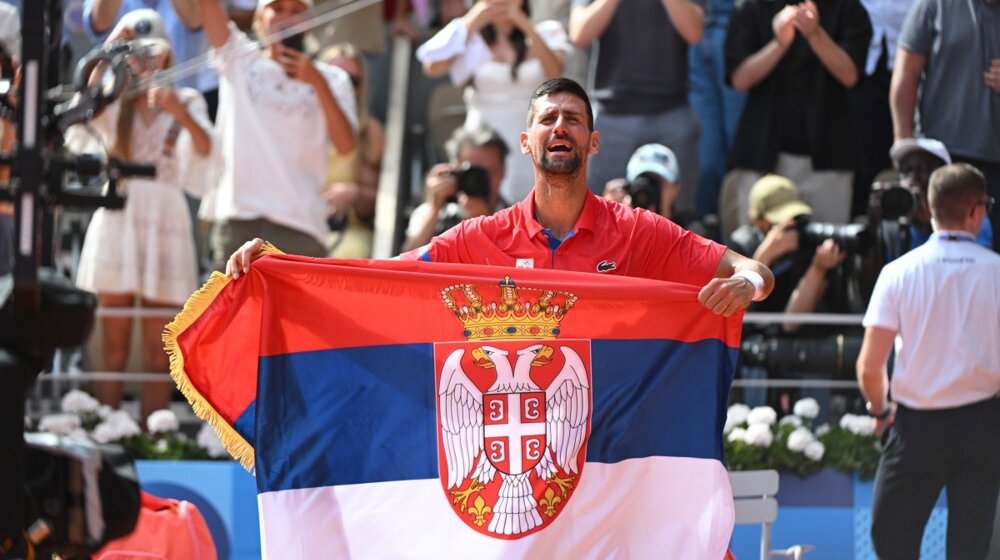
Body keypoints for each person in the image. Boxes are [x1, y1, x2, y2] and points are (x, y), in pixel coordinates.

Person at [229, 78, 775, 319]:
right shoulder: (480, 237)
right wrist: (286, 268)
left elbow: (755, 271)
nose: (560, 127)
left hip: (611, 460)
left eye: (573, 120)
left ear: (593, 141)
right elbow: (383, 276)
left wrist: (744, 281)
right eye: (548, 119)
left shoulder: (638, 230)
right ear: (526, 141)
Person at [65, 10, 213, 419]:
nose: (144, 61)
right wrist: (110, 45)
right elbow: (79, 117)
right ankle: (107, 436)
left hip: (166, 218)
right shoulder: (114, 98)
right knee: (111, 346)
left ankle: (157, 441)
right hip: (119, 216)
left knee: (157, 351)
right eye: (136, 52)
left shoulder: (187, 99)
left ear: (167, 54)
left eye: (152, 51)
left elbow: (209, 156)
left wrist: (177, 111)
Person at [856, 163, 1000, 560]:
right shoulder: (998, 273)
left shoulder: (897, 273)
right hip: (984, 424)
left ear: (930, 208)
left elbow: (870, 366)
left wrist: (880, 409)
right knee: (972, 547)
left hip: (916, 425)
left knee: (891, 540)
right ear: (977, 211)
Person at [196, 0, 358, 271]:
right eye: (277, 8)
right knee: (236, 315)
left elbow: (346, 145)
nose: (287, 17)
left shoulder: (334, 79)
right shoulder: (239, 59)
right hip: (238, 220)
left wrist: (316, 81)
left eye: (297, 11)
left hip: (302, 228)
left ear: (310, 21)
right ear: (259, 18)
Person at [723, 0, 871, 225]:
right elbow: (740, 79)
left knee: (827, 250)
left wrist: (815, 34)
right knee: (756, 251)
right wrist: (779, 44)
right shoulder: (752, 7)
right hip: (763, 157)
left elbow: (850, 75)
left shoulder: (848, 8)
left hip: (829, 160)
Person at [417, 0, 571, 203]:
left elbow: (556, 72)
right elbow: (431, 66)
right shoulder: (471, 40)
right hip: (482, 138)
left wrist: (524, 24)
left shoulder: (545, 32)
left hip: (527, 137)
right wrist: (472, 18)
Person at [569, 0, 705, 216]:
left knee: (679, 217)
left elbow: (695, 31)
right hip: (612, 118)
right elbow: (579, 34)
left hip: (672, 112)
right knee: (600, 214)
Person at [890, 0, 1000, 251]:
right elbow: (906, 72)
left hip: (995, 167)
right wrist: (904, 151)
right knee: (931, 260)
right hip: (939, 162)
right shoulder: (934, 5)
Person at [85, 0, 221, 118]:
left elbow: (195, 19)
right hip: (120, 113)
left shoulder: (190, 101)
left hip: (180, 109)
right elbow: (99, 22)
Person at [320, 42, 385, 259]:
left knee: (349, 255)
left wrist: (353, 193)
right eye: (333, 77)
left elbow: (379, 202)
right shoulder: (296, 123)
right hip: (299, 222)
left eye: (352, 81)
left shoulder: (370, 132)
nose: (342, 86)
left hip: (348, 230)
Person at [402, 126, 510, 253]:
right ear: (455, 169)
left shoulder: (516, 219)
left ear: (503, 171)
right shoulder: (435, 213)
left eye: (487, 172)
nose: (478, 180)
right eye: (471, 171)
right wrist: (434, 210)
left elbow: (509, 269)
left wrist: (483, 225)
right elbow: (407, 263)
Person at [688, 0, 746, 218]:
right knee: (706, 159)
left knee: (742, 150)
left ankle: (747, 236)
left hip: (741, 24)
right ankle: (708, 228)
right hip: (695, 31)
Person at [888, 138, 992, 251]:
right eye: (907, 170)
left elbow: (974, 260)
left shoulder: (971, 213)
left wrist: (933, 220)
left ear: (943, 176)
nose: (913, 178)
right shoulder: (894, 218)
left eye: (921, 169)